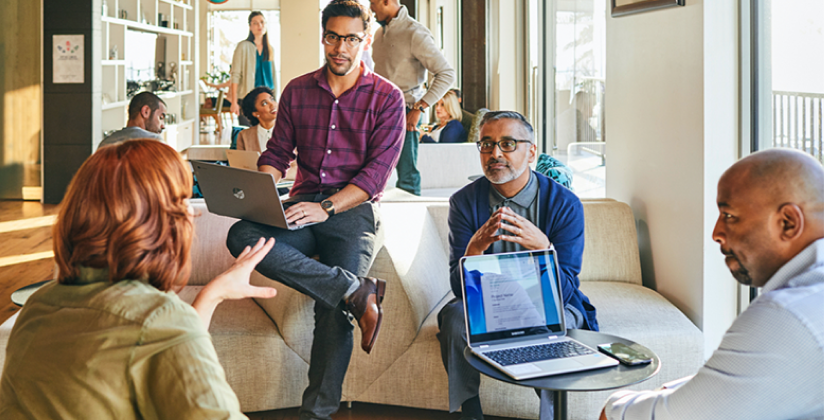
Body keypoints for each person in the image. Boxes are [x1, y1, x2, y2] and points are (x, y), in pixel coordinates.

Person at [0, 139, 278, 419]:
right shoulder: (159, 319)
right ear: (161, 221)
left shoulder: (37, 308)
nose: (192, 213)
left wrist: (213, 293)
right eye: (182, 201)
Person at [225, 2, 405, 419]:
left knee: (331, 312)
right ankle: (353, 291)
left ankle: (316, 413)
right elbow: (276, 152)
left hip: (353, 212)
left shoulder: (387, 98)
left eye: (350, 39)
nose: (340, 48)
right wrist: (262, 189)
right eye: (332, 37)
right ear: (323, 36)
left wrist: (327, 207)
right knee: (241, 235)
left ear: (366, 39)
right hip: (300, 204)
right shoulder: (298, 90)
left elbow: (375, 176)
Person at [600, 148, 824, 420]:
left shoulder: (787, 314)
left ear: (788, 223)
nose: (716, 233)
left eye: (729, 216)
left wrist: (615, 405)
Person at [438, 111, 598, 420]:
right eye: (486, 144)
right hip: (489, 301)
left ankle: (551, 415)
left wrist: (543, 248)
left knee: (558, 323)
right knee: (457, 319)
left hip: (548, 300)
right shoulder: (464, 202)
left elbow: (565, 290)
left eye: (508, 144)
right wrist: (474, 250)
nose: (495, 153)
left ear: (531, 152)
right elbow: (460, 290)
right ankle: (469, 411)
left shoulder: (564, 204)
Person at [370, 0, 456, 195]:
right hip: (379, 110)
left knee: (407, 175)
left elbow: (447, 74)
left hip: (406, 111)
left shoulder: (415, 33)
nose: (371, 8)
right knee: (373, 170)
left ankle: (410, 223)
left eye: (373, 2)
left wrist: (419, 108)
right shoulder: (378, 33)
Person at [230, 11, 279, 127]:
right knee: (248, 133)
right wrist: (234, 101)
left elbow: (273, 75)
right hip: (248, 98)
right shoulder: (243, 46)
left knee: (266, 134)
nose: (259, 26)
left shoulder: (270, 48)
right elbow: (235, 74)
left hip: (267, 99)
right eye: (255, 23)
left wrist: (275, 98)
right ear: (250, 27)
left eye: (262, 22)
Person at [99, 92, 166, 147]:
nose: (163, 126)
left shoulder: (105, 143)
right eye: (161, 117)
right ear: (146, 111)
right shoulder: (155, 142)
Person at [237, 86, 278, 152]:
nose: (272, 105)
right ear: (255, 113)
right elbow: (241, 162)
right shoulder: (244, 136)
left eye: (272, 99)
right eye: (264, 103)